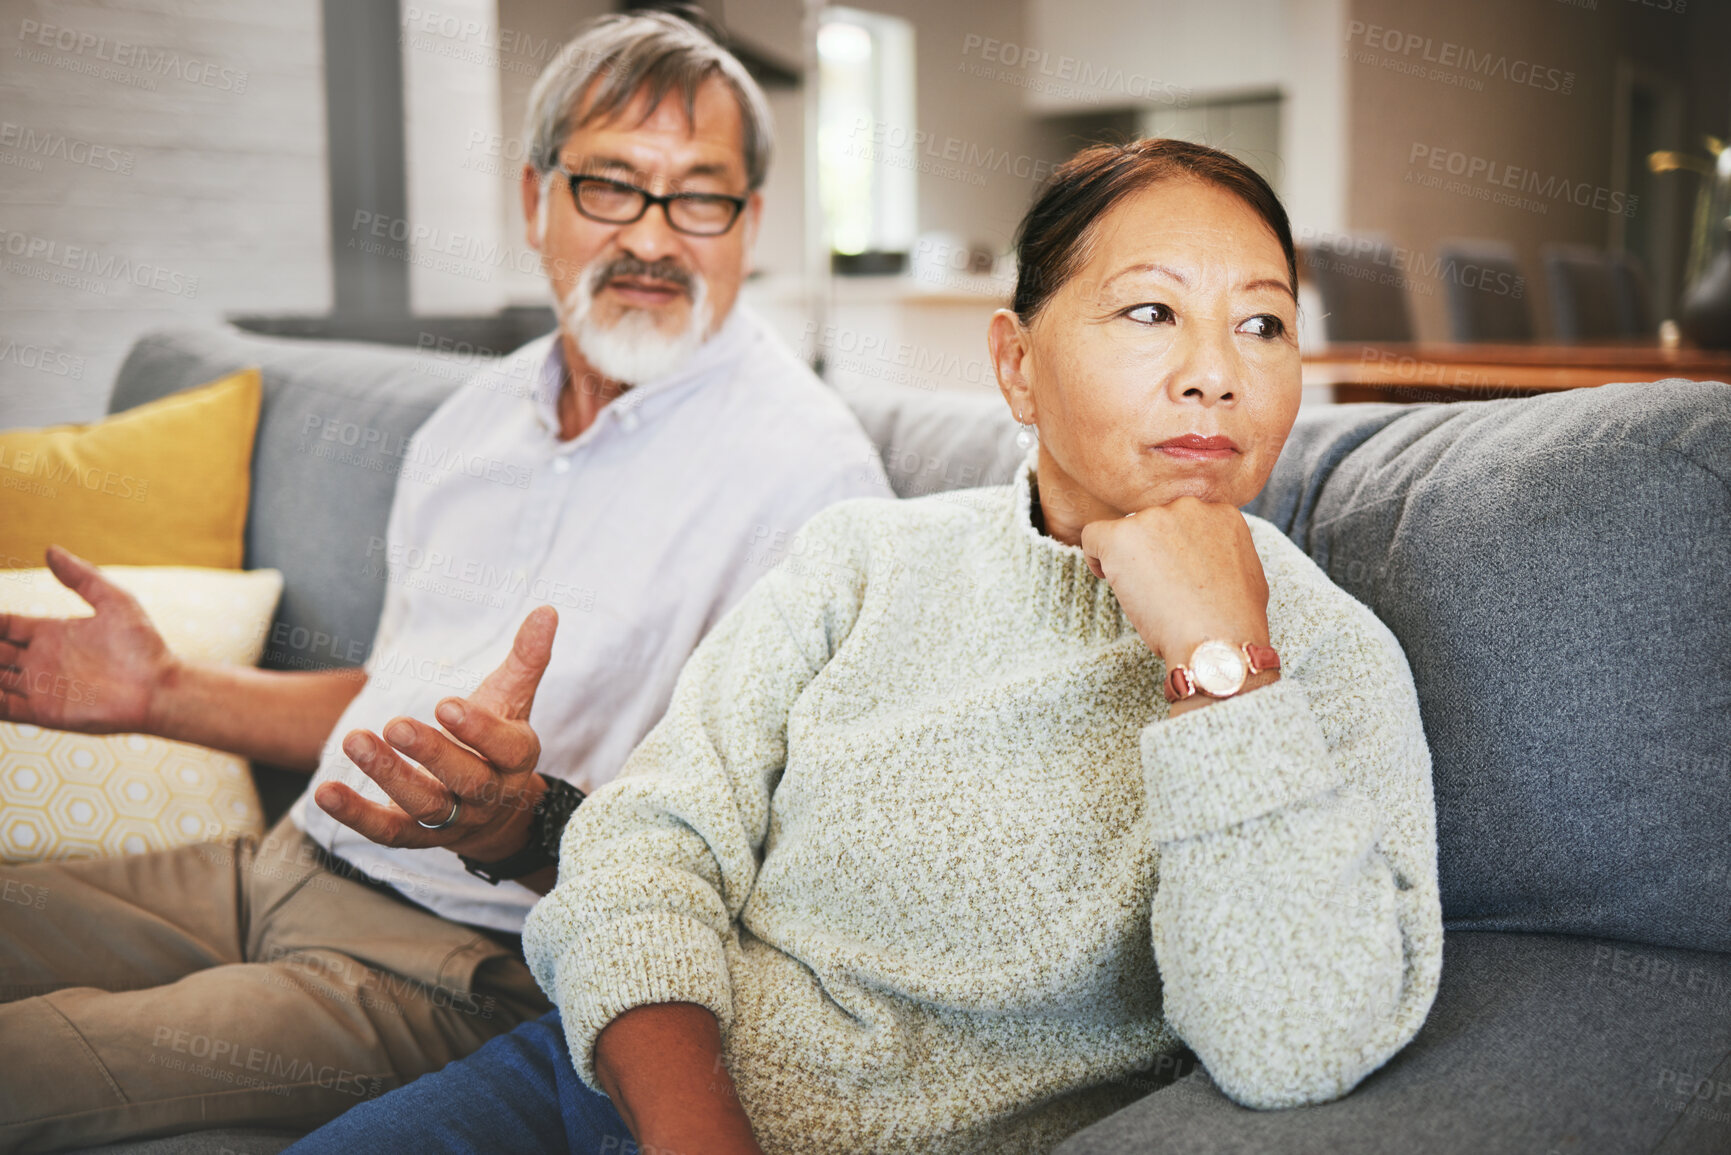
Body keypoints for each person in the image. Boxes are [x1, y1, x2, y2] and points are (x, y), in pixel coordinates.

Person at [286, 138, 1446, 1155]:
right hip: (604, 1085)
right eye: (1151, 311)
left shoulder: (1327, 660)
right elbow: (646, 848)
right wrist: (695, 1134)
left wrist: (1218, 663)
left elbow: (1290, 1049)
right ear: (1015, 366)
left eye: (1265, 323)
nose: (1216, 371)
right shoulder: (859, 560)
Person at [0, 11, 889, 1152]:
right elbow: (388, 699)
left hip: (461, 962)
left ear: (749, 223)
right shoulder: (473, 420)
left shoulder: (813, 479)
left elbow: (782, 852)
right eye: (610, 185)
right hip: (283, 859)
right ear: (536, 203)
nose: (655, 238)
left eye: (700, 196)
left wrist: (519, 820)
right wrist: (163, 690)